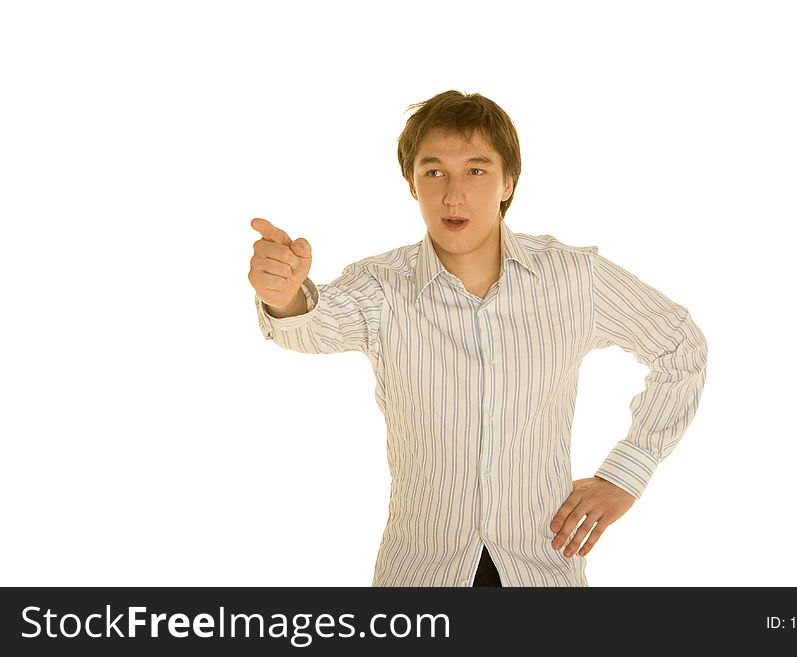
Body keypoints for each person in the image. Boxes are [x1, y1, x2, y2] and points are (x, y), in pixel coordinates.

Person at [248, 90, 708, 587]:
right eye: (434, 172)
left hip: (541, 571)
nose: (453, 194)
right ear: (412, 184)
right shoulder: (382, 286)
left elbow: (680, 345)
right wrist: (285, 293)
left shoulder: (575, 278)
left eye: (476, 170)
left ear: (508, 182)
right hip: (420, 578)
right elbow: (313, 321)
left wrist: (626, 474)